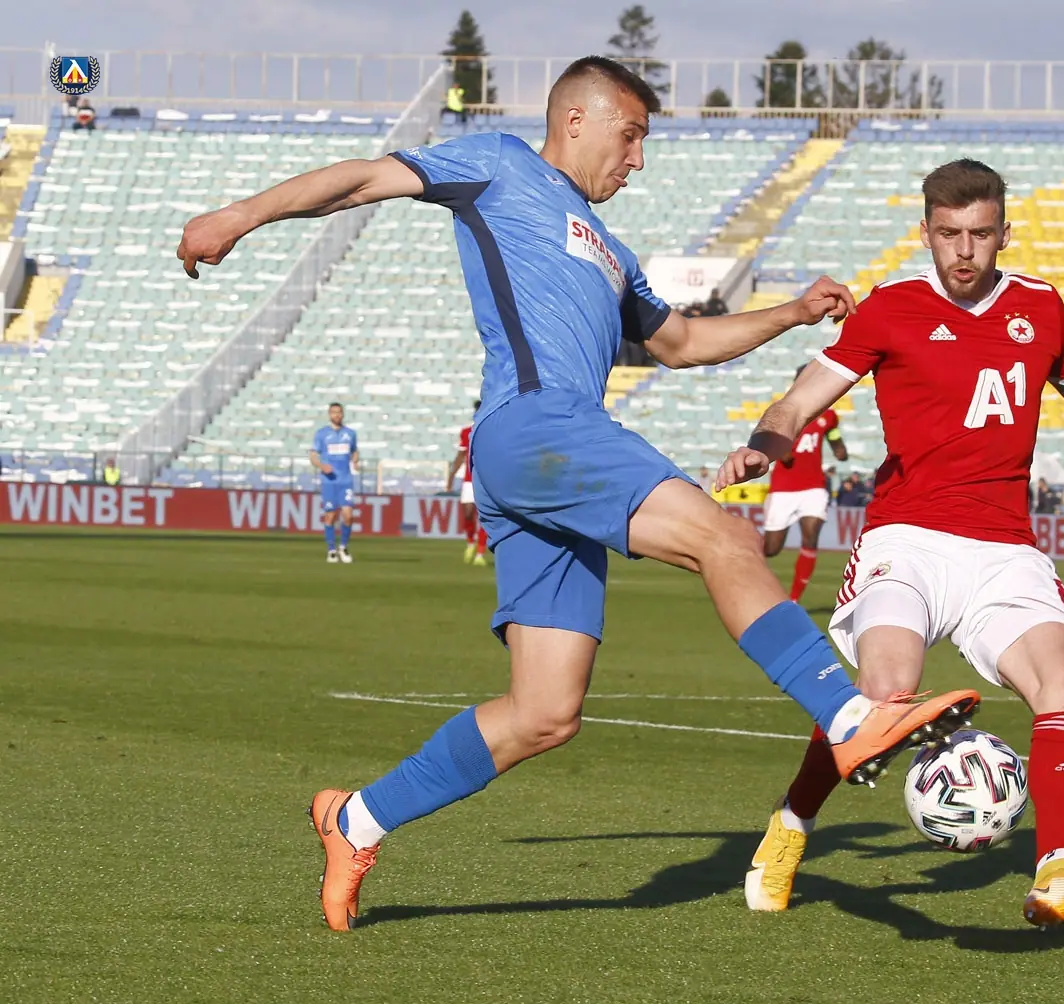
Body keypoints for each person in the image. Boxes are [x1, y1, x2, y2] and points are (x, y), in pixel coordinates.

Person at [177, 56, 977, 933]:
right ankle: (846, 714)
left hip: (541, 460)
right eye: (629, 137)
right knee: (720, 538)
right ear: (575, 121)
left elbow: (679, 343)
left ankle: (356, 819)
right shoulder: (498, 163)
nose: (637, 159)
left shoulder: (610, 253)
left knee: (543, 713)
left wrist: (788, 313)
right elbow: (365, 178)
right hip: (538, 425)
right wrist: (240, 215)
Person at [716, 158, 1064, 927]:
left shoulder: (1040, 307)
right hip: (906, 540)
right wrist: (763, 449)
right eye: (948, 234)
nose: (963, 250)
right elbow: (799, 400)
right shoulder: (890, 309)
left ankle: (1057, 870)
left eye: (978, 234)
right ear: (925, 233)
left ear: (1004, 232)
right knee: (885, 691)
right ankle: (792, 823)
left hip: (1004, 549)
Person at [761, 364, 850, 603]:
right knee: (771, 549)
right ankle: (741, 555)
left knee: (811, 537)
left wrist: (840, 450)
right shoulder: (783, 411)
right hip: (784, 488)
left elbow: (834, 439)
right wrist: (780, 450)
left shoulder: (828, 416)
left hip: (814, 486)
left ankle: (793, 600)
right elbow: (768, 440)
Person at [310, 403, 358, 564]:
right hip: (329, 480)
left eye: (339, 412)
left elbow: (354, 450)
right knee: (330, 516)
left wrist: (355, 460)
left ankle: (343, 547)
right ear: (329, 414)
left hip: (345, 480)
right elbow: (313, 455)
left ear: (342, 414)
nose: (336, 415)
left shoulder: (350, 433)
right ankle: (331, 549)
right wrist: (321, 466)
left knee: (348, 515)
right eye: (333, 412)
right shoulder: (322, 434)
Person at [447, 399, 489, 566]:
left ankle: (480, 553)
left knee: (484, 516)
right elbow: (460, 456)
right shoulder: (466, 432)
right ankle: (470, 543)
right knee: (468, 514)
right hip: (469, 480)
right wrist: (451, 477)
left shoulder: (492, 431)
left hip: (486, 480)